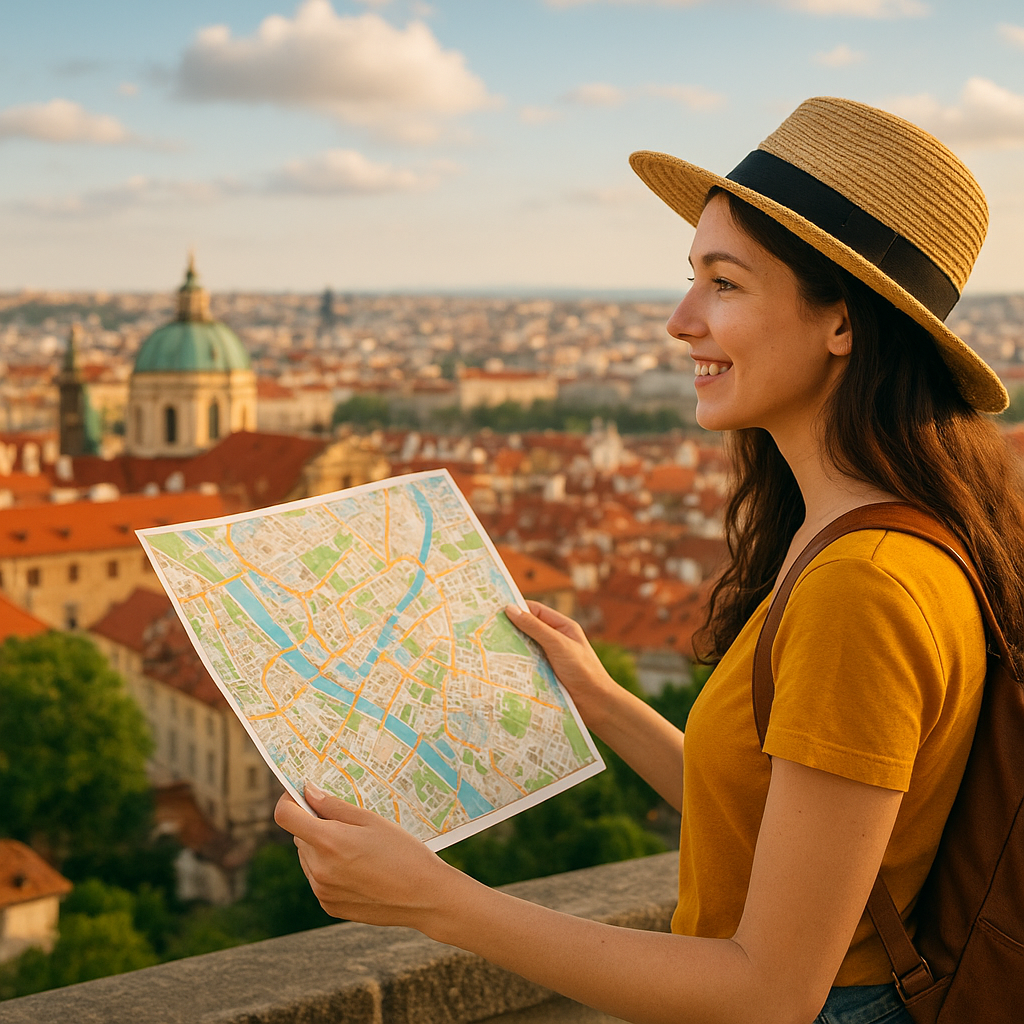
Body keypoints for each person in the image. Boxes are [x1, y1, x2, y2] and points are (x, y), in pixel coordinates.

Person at [275, 97, 1024, 1024]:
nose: (681, 320)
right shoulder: (884, 531)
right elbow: (774, 819)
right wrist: (602, 700)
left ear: (843, 322)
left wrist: (437, 900)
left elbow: (769, 991)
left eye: (725, 283)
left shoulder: (863, 584)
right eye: (692, 278)